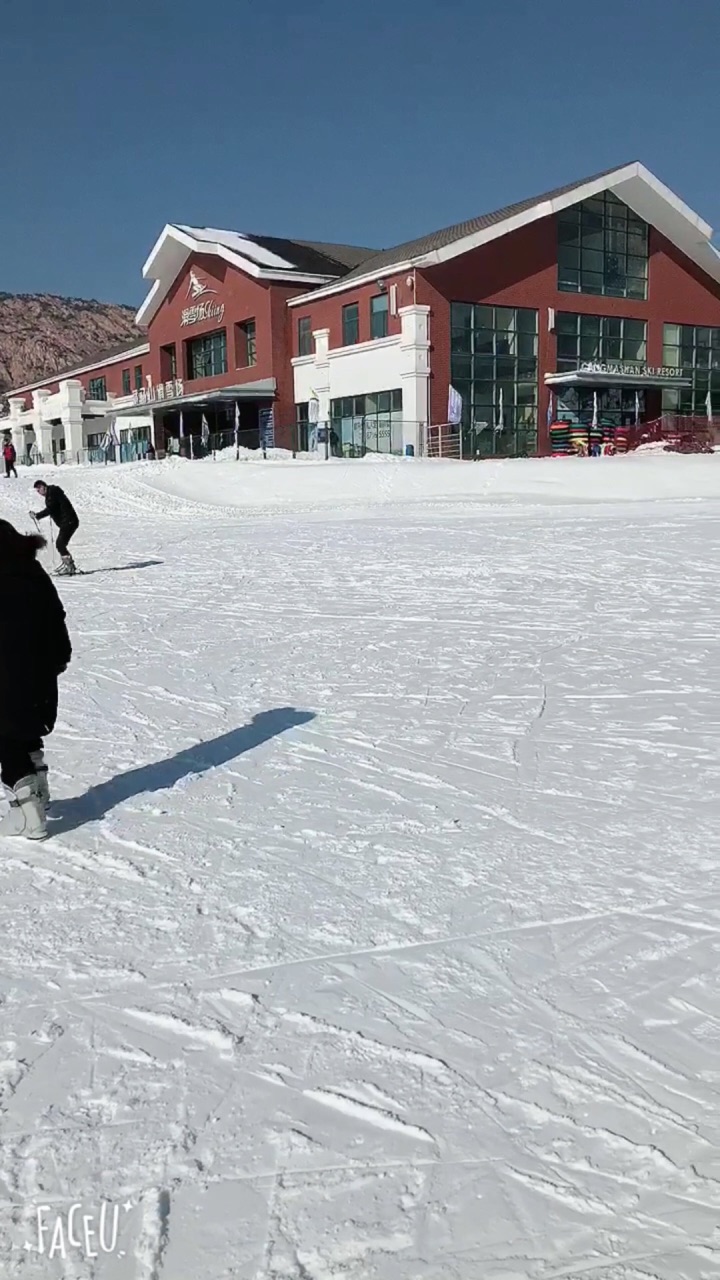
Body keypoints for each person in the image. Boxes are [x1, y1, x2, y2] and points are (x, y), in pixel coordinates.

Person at [0, 520, 72, 839]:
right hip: (40, 673)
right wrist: (56, 661)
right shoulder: (33, 571)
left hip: (7, 676)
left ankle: (29, 818)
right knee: (28, 733)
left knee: (7, 740)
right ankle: (41, 798)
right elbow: (56, 616)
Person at [31, 481, 80, 576]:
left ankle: (69, 566)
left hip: (69, 521)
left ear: (43, 486)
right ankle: (69, 565)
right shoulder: (51, 493)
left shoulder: (52, 493)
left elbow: (51, 508)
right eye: (37, 491)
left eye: (39, 489)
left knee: (60, 544)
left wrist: (37, 515)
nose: (39, 492)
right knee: (61, 544)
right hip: (68, 522)